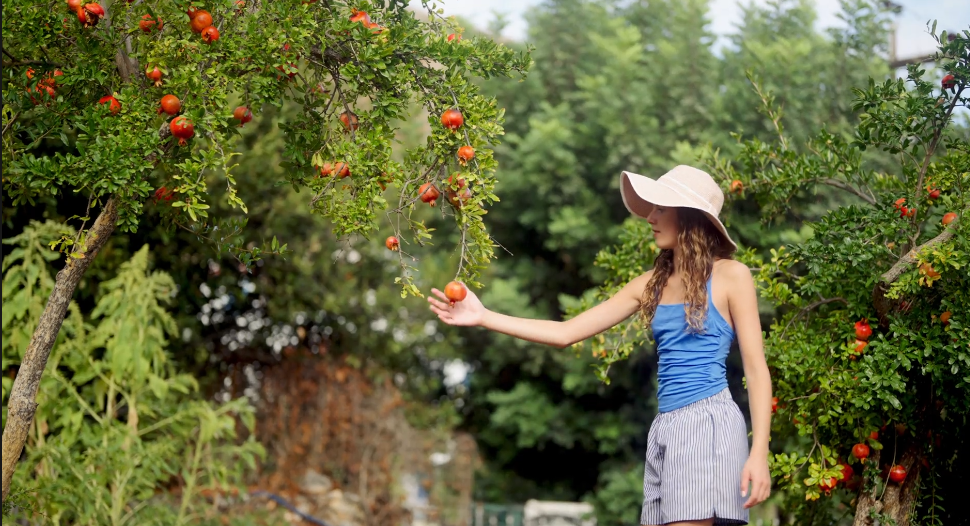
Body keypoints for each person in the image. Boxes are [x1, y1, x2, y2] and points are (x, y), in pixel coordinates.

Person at [428, 165, 773, 526]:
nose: (650, 218)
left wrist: (759, 452)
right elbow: (566, 333)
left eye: (661, 209)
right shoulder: (651, 284)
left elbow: (755, 370)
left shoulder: (732, 276)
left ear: (689, 217)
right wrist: (483, 316)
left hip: (707, 420)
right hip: (666, 426)